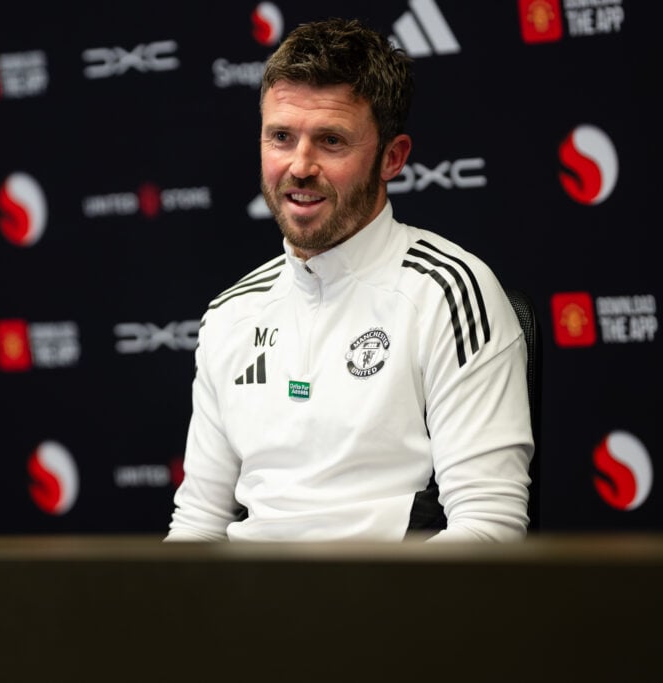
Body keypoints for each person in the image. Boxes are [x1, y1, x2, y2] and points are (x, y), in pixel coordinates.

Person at [166, 18, 533, 542]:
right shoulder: (230, 314)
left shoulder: (449, 292)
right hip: (244, 614)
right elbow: (198, 526)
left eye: (331, 141)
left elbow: (489, 531)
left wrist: (343, 618)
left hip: (389, 612)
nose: (300, 166)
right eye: (281, 137)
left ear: (392, 157)